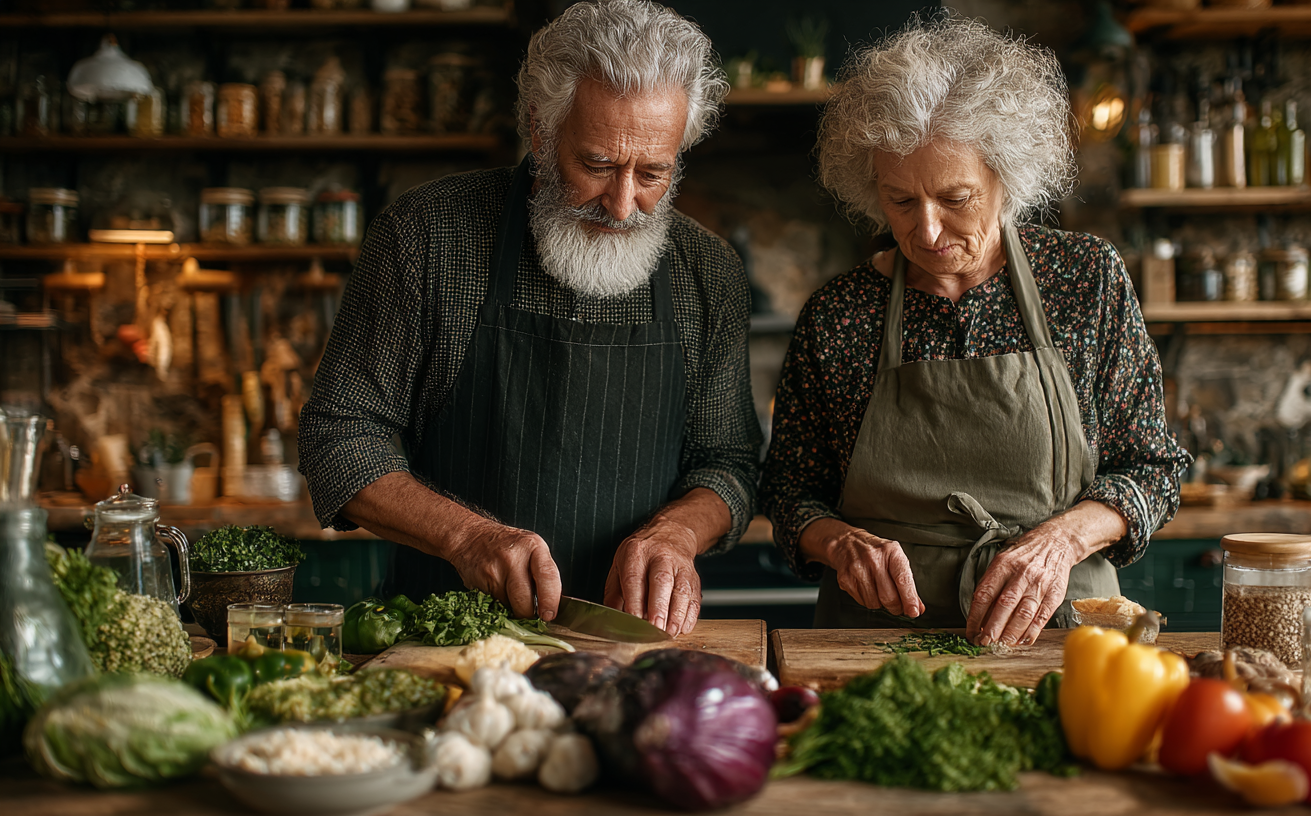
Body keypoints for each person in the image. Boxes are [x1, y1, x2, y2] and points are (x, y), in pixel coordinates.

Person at [298, 0, 760, 637]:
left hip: (628, 646)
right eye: (597, 166)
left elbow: (729, 461)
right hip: (447, 643)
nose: (624, 205)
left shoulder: (708, 272)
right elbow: (339, 438)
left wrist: (679, 532)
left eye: (653, 172)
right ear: (542, 133)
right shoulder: (427, 239)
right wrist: (464, 537)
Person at [760, 16, 1191, 645]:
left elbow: (1153, 469)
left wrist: (1060, 540)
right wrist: (838, 543)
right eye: (900, 201)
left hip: (1057, 629)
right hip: (879, 644)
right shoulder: (840, 313)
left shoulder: (1085, 281)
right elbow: (791, 491)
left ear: (1006, 177)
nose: (927, 232)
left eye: (954, 198)